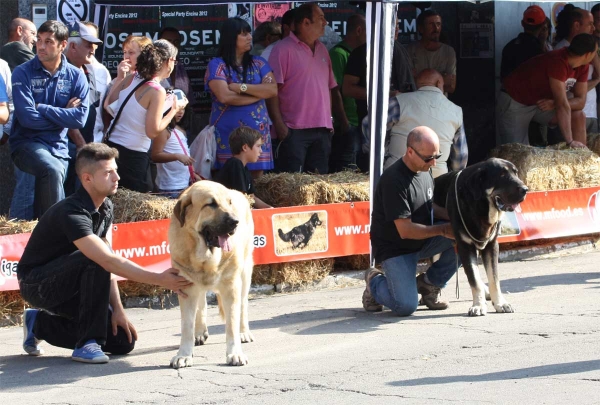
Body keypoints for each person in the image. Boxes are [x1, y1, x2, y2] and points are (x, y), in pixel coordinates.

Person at [18, 142, 193, 364]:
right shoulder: (71, 212)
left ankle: (38, 324)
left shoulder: (106, 207)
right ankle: (86, 344)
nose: (117, 177)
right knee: (94, 259)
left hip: (74, 280)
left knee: (121, 341)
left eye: (116, 170)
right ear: (87, 179)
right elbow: (107, 260)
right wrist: (159, 279)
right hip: (37, 284)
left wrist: (118, 310)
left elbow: (108, 257)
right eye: (108, 172)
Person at [364, 126, 457, 315]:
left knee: (467, 235)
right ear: (410, 152)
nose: (433, 163)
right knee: (405, 306)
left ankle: (429, 285)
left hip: (422, 239)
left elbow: (429, 206)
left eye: (436, 157)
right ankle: (374, 281)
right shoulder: (393, 180)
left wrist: (455, 217)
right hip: (397, 248)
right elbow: (405, 230)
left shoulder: (424, 169)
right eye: (428, 158)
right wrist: (443, 230)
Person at [10, 20, 89, 218]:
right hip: (27, 144)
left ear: (63, 45)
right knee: (48, 174)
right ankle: (55, 233)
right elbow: (28, 119)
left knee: (52, 193)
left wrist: (44, 108)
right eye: (39, 41)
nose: (41, 46)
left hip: (59, 148)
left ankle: (48, 237)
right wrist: (64, 114)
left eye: (48, 42)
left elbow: (79, 119)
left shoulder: (76, 76)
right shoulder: (22, 72)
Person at [267, 3, 345, 174]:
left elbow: (330, 87)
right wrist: (280, 126)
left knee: (318, 185)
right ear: (305, 23)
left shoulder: (323, 50)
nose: (325, 22)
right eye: (320, 18)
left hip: (322, 130)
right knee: (292, 188)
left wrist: (329, 121)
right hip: (293, 131)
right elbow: (271, 91)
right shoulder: (282, 49)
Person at [104, 39, 187, 192]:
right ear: (169, 61)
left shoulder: (131, 77)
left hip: (112, 148)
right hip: (133, 156)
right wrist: (174, 110)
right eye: (174, 61)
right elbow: (152, 131)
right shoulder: (157, 90)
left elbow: (109, 104)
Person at [361, 69, 468, 178]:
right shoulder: (456, 111)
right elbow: (460, 157)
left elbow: (369, 124)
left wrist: (378, 154)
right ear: (439, 83)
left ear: (417, 84)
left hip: (396, 177)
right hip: (437, 179)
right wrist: (453, 177)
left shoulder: (399, 102)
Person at [497, 33, 597, 148]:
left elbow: (580, 102)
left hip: (542, 103)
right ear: (588, 54)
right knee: (515, 149)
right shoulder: (558, 60)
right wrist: (569, 141)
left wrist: (554, 103)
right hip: (516, 100)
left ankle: (581, 157)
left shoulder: (583, 65)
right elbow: (562, 105)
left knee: (578, 115)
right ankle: (572, 146)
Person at [205, 17, 277, 177]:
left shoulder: (259, 63)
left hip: (257, 133)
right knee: (229, 179)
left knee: (256, 180)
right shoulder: (217, 65)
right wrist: (258, 94)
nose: (250, 37)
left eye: (249, 33)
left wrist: (241, 88)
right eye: (244, 34)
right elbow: (224, 96)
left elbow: (272, 90)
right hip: (227, 134)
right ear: (231, 37)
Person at [63, 21, 104, 196]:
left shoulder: (90, 70)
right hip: (69, 149)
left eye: (94, 45)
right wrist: (81, 146)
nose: (93, 50)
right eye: (88, 45)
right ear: (72, 45)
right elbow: (68, 116)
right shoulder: (61, 72)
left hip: (87, 147)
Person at [328, 13, 366, 172]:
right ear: (358, 30)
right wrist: (344, 121)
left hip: (362, 121)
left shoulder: (362, 53)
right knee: (347, 169)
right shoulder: (338, 53)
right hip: (349, 123)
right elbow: (335, 89)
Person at [554, 5, 600, 135]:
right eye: (590, 24)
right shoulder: (562, 50)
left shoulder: (589, 48)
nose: (593, 28)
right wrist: (597, 80)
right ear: (576, 26)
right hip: (571, 114)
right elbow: (572, 87)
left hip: (591, 113)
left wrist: (593, 49)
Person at [102, 35, 152, 131]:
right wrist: (121, 77)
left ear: (144, 55)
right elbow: (108, 106)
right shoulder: (120, 78)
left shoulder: (155, 79)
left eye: (131, 52)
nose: (126, 57)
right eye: (125, 52)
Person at [151, 99, 199, 198]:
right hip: (170, 186)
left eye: (183, 109)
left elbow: (186, 153)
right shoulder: (163, 131)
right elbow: (155, 156)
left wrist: (192, 173)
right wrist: (177, 156)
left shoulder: (180, 130)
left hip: (184, 183)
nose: (181, 112)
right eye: (177, 109)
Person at [215, 127, 272, 209]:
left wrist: (270, 209)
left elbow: (251, 197)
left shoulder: (244, 168)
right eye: (258, 146)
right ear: (245, 147)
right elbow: (240, 198)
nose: (261, 151)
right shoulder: (235, 164)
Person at [407, 10, 457, 95]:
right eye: (431, 24)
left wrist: (419, 80)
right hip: (417, 102)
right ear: (421, 28)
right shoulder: (410, 50)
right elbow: (409, 85)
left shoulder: (448, 51)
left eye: (438, 24)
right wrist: (441, 79)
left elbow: (451, 87)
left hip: (440, 104)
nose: (436, 28)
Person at [500, 5, 547, 80]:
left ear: (522, 23)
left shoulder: (509, 46)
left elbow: (503, 78)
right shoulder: (539, 51)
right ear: (542, 27)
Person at [158, 27, 194, 102]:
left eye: (176, 42)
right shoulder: (152, 67)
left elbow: (188, 97)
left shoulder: (180, 65)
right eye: (168, 41)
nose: (172, 45)